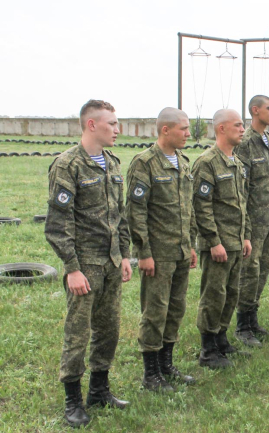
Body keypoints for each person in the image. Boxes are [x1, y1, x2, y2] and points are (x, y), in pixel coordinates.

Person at [45, 99, 132, 428]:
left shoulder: (112, 163)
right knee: (78, 333)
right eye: (112, 123)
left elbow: (119, 215)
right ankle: (73, 400)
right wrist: (72, 268)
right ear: (92, 125)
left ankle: (99, 390)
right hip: (85, 265)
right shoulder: (68, 164)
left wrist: (124, 255)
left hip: (111, 263)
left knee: (109, 330)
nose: (117, 129)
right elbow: (58, 223)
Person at [126, 107, 197, 392]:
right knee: (155, 312)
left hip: (181, 251)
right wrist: (143, 253)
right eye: (183, 128)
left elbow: (188, 209)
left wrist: (190, 245)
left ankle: (167, 365)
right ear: (165, 130)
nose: (188, 134)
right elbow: (136, 212)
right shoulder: (145, 163)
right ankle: (151, 373)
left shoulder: (183, 162)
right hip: (158, 254)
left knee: (176, 309)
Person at [192, 109, 252, 369]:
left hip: (236, 241)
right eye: (237, 125)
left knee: (231, 293)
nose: (242, 129)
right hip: (218, 244)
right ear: (221, 129)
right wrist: (213, 241)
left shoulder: (236, 162)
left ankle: (221, 339)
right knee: (214, 295)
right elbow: (201, 206)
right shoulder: (207, 162)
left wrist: (246, 236)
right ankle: (208, 350)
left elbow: (242, 203)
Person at [233, 95, 269, 347]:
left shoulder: (268, 140)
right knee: (249, 273)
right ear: (255, 110)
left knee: (262, 271)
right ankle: (242, 325)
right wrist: (246, 229)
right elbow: (242, 188)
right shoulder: (246, 143)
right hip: (253, 221)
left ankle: (252, 319)